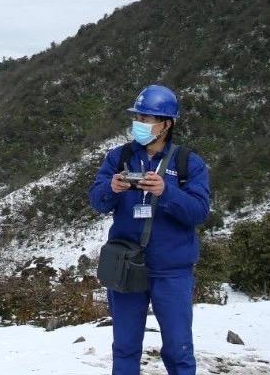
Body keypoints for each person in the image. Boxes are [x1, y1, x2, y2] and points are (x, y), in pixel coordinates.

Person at [89, 84, 211, 375]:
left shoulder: (188, 163)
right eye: (138, 117)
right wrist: (112, 187)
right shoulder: (118, 158)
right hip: (126, 265)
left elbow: (198, 212)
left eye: (147, 119)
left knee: (178, 348)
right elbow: (97, 201)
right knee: (125, 346)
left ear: (167, 124)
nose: (140, 124)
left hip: (172, 269)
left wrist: (166, 192)